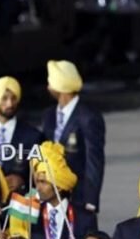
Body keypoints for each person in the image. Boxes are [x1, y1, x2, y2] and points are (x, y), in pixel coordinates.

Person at [40, 60, 105, 224]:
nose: (48, 85)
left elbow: (94, 160)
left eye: (51, 81)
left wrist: (91, 200)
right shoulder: (48, 116)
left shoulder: (88, 117)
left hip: (79, 197)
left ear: (60, 85)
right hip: (52, 197)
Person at [0, 76, 43, 191]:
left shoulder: (33, 136)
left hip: (19, 204)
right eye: (4, 98)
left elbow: (41, 174)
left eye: (13, 98)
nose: (10, 104)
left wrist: (23, 181)